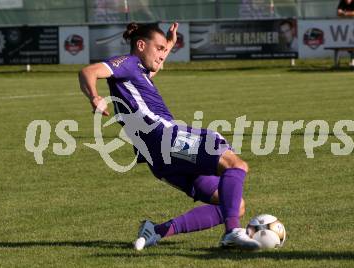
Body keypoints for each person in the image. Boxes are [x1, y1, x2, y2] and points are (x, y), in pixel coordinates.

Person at [78, 22, 260, 250]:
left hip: (157, 159)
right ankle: (233, 231)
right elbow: (89, 71)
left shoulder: (138, 72)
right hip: (165, 137)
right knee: (235, 164)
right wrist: (94, 97)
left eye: (165, 50)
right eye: (159, 48)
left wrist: (169, 45)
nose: (162, 55)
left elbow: (155, 66)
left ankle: (156, 231)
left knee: (234, 204)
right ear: (141, 45)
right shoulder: (129, 63)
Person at [337, 0, 354, 66]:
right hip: (346, 26)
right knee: (347, 43)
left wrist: (346, 13)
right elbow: (338, 12)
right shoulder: (342, 2)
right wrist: (349, 13)